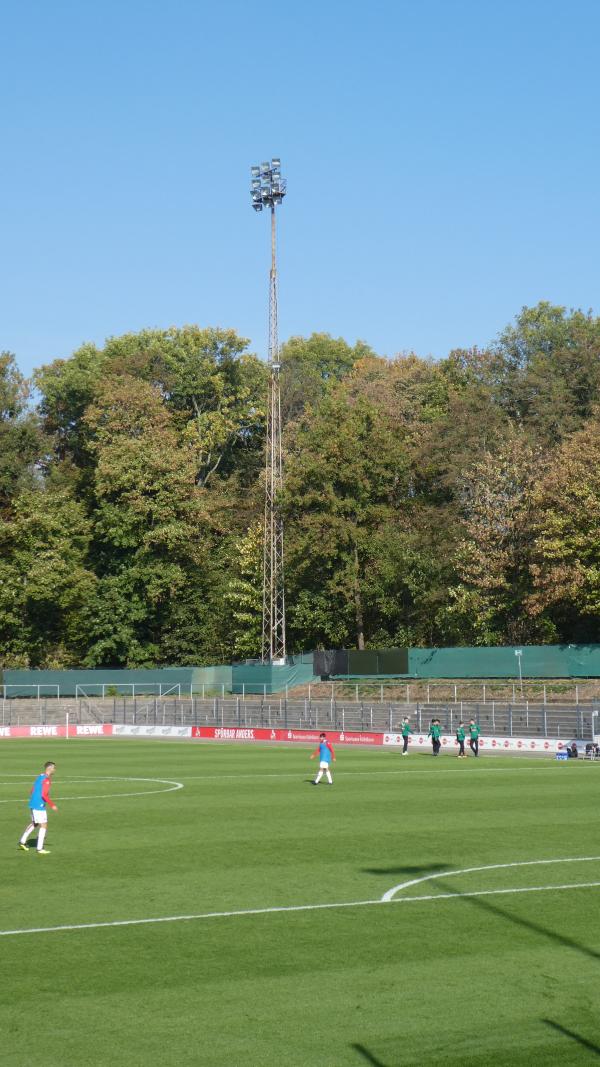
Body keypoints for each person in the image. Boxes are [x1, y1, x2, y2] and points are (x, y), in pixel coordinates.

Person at [18, 761, 58, 854]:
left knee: (35, 823)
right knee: (44, 824)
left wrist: (34, 799)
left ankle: (22, 841)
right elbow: (44, 795)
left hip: (33, 803)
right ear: (49, 768)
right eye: (54, 768)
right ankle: (39, 848)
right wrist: (52, 805)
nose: (55, 770)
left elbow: (32, 790)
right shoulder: (47, 780)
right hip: (39, 805)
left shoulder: (40, 776)